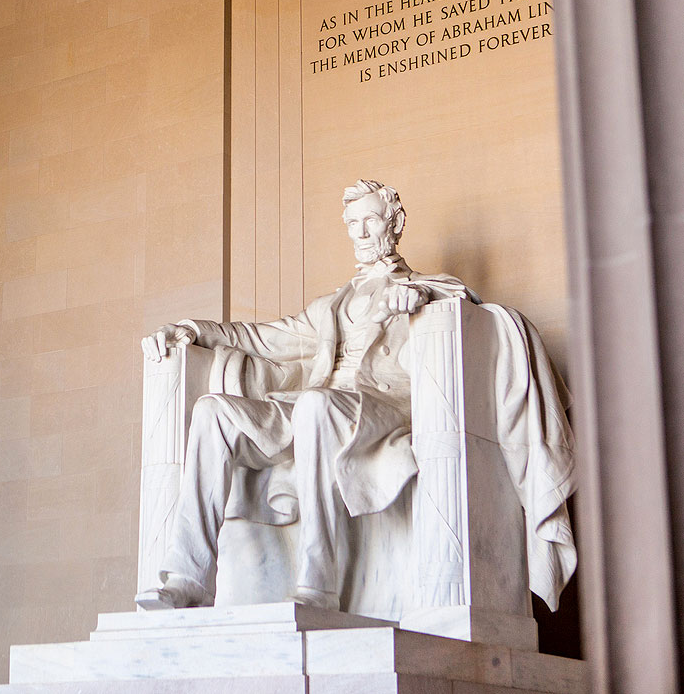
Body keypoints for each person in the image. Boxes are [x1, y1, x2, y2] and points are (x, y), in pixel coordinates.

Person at [136, 180, 476, 610]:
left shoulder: (428, 286)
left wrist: (419, 296)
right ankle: (189, 578)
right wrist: (192, 330)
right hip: (315, 407)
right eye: (353, 223)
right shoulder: (330, 307)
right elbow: (260, 337)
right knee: (212, 412)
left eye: (370, 220)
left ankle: (318, 583)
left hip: (381, 408)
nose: (361, 233)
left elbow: (465, 299)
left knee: (316, 405)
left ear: (396, 223)